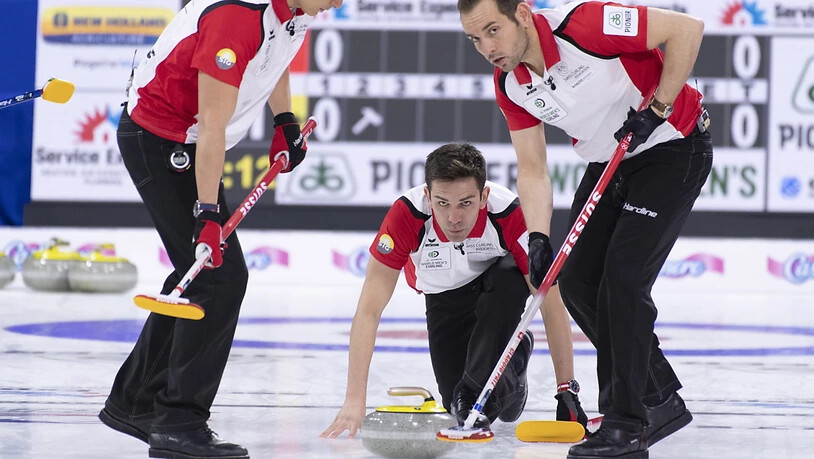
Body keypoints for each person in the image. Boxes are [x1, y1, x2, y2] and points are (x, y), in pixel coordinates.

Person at [458, 1, 711, 458]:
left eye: (493, 30)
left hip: (672, 144)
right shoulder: (510, 84)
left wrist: (657, 107)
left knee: (623, 278)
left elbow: (687, 30)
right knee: (575, 280)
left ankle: (627, 424)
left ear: (521, 13)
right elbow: (532, 167)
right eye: (475, 39)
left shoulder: (585, 23)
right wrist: (537, 236)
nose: (487, 48)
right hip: (609, 159)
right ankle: (656, 396)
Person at [97, 0, 342, 458]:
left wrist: (284, 118)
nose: (339, 3)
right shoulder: (236, 19)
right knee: (217, 277)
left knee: (200, 274)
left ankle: (135, 401)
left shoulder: (298, 11)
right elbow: (210, 126)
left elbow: (274, 60)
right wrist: (207, 213)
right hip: (163, 137)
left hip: (187, 137)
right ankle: (178, 423)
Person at [321, 143, 588, 439]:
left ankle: (502, 358)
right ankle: (516, 357)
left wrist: (566, 391)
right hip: (442, 297)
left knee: (474, 391)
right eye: (442, 203)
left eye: (465, 203)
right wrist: (354, 401)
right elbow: (369, 311)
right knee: (455, 402)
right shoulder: (407, 216)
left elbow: (550, 303)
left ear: (484, 197)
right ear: (427, 196)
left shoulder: (509, 214)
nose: (454, 218)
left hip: (497, 290)